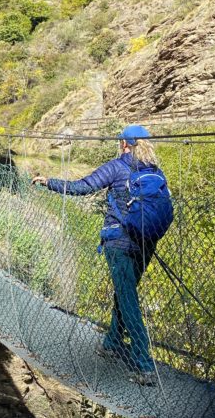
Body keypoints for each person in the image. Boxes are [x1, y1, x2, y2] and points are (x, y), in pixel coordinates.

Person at [32, 125, 163, 386]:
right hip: (146, 243)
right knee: (124, 293)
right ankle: (112, 343)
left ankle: (145, 365)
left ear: (124, 144)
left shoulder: (117, 167)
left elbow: (83, 187)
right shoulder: (155, 171)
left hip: (119, 242)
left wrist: (49, 182)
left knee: (128, 299)